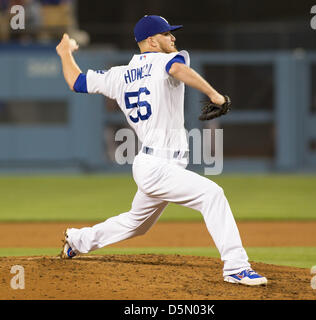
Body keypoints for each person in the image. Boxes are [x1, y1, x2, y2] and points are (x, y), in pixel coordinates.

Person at [56, 15, 267, 286]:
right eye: (168, 34)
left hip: (150, 163)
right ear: (152, 41)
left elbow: (76, 81)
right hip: (158, 166)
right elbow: (177, 70)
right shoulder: (166, 60)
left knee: (137, 223)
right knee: (212, 195)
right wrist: (215, 95)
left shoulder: (118, 75)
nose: (174, 38)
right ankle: (236, 267)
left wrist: (64, 54)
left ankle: (77, 239)